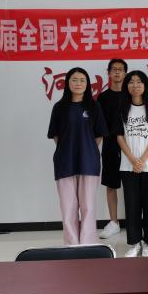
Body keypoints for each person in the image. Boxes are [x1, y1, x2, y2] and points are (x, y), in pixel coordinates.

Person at [47, 67, 107, 245]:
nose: (78, 83)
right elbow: (56, 135)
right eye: (74, 80)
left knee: (88, 206)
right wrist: (68, 149)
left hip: (89, 162)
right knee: (68, 207)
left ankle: (88, 243)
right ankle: (71, 244)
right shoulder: (59, 108)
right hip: (64, 162)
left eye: (82, 80)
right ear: (67, 83)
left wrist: (87, 149)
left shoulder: (94, 106)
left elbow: (99, 135)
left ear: (87, 84)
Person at [115, 70, 148, 257]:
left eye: (139, 82)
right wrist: (132, 159)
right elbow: (119, 136)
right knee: (132, 206)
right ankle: (134, 242)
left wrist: (142, 160)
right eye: (131, 82)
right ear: (126, 86)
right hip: (128, 166)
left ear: (145, 85)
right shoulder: (122, 108)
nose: (135, 85)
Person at [97, 58, 128, 240]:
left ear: (125, 73)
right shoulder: (103, 98)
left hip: (131, 147)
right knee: (111, 184)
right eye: (114, 69)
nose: (117, 72)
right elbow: (99, 125)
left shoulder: (132, 94)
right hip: (110, 145)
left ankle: (134, 221)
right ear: (108, 73)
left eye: (120, 69)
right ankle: (114, 222)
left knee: (133, 185)